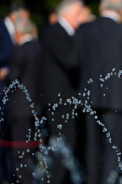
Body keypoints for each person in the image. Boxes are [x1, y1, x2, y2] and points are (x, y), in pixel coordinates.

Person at [73, 0, 122, 183]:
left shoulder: (84, 30)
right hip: (117, 100)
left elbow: (74, 63)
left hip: (89, 97)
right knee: (113, 149)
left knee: (91, 148)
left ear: (101, 8)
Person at [40, 0, 84, 183]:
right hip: (59, 101)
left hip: (63, 100)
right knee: (63, 144)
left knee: (66, 144)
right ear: (68, 15)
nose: (82, 18)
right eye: (79, 14)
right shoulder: (57, 33)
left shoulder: (63, 33)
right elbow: (72, 62)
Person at [4, 18, 41, 184]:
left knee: (20, 149)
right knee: (32, 147)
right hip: (37, 106)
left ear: (18, 32)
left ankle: (22, 180)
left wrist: (4, 74)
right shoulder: (41, 49)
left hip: (20, 108)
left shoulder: (20, 50)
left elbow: (13, 77)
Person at [0, 3, 29, 183]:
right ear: (14, 15)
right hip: (2, 87)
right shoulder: (2, 29)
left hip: (14, 94)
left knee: (11, 137)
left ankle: (11, 175)